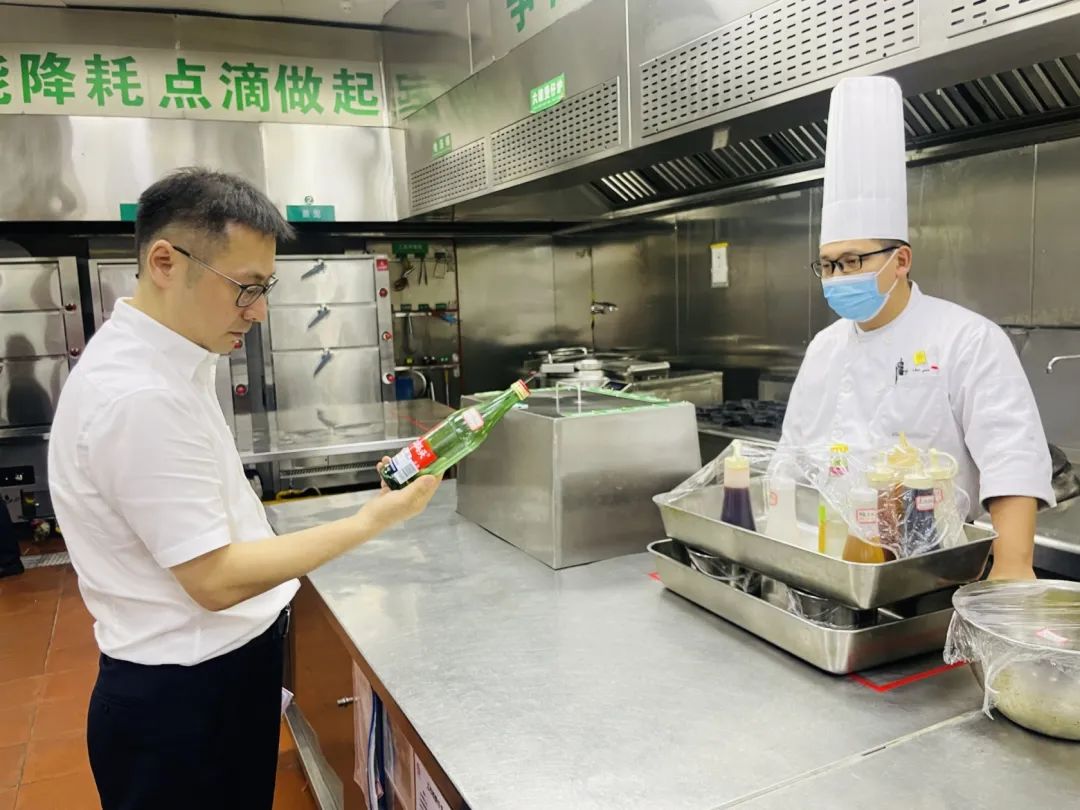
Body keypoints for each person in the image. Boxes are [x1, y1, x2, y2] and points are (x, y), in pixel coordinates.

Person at [47, 168, 440, 810]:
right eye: (246, 288)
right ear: (166, 262)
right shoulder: (140, 394)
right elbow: (216, 580)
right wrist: (373, 519)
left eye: (266, 288)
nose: (258, 311)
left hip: (212, 682)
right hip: (184, 704)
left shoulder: (175, 362)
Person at [778, 77, 1054, 580]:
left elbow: (1011, 456)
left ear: (901, 260)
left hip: (934, 572)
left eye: (853, 261)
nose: (838, 277)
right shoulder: (823, 348)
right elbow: (791, 460)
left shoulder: (967, 338)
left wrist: (1012, 568)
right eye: (828, 265)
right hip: (830, 564)